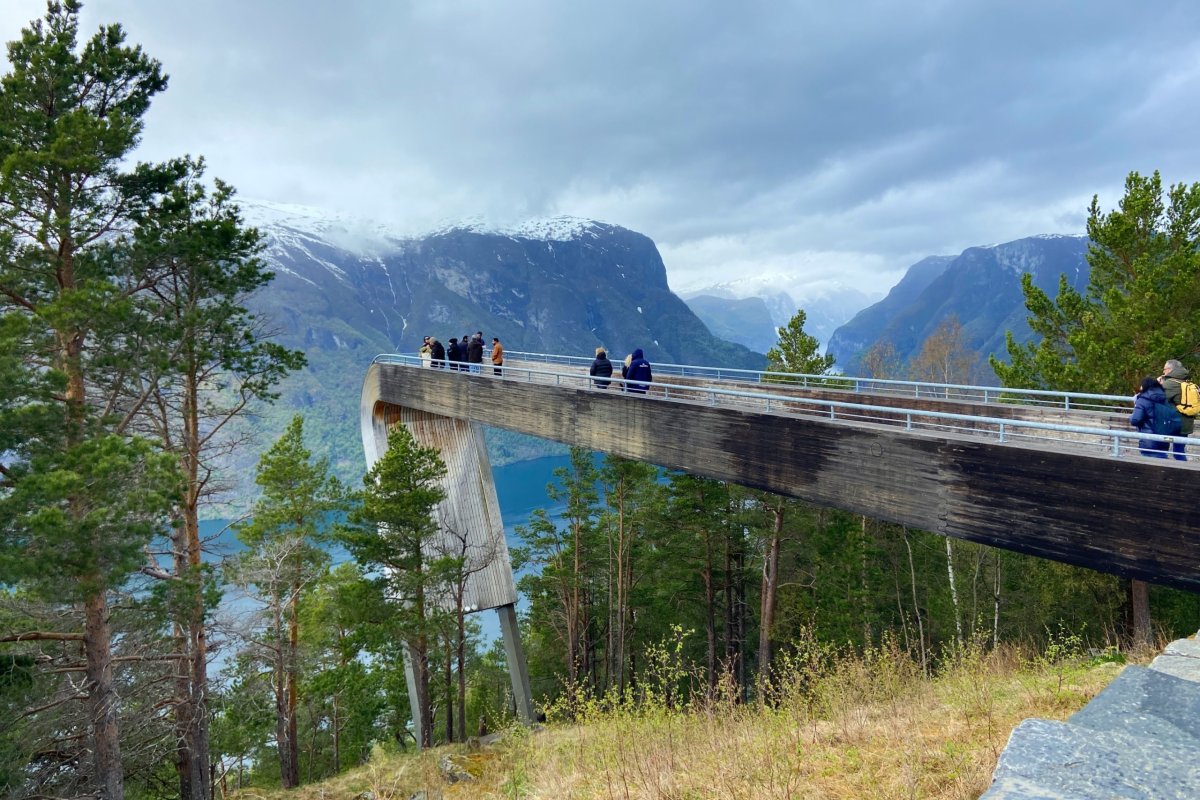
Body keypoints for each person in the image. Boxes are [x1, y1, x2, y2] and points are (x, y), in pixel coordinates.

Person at [1160, 359, 1194, 461]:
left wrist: (1159, 384)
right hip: (1185, 423)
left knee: (1161, 451)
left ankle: (1162, 473)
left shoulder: (1170, 384)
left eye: (1164, 369)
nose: (1163, 372)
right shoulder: (1186, 382)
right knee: (1179, 451)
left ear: (1170, 369)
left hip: (1171, 423)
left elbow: (1157, 398)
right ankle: (1185, 473)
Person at [1130, 376, 1172, 458]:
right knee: (1161, 464)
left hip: (1148, 440)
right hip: (1164, 440)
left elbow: (1135, 420)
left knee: (1148, 466)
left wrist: (1131, 416)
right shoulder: (1166, 398)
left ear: (1144, 386)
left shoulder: (1142, 400)